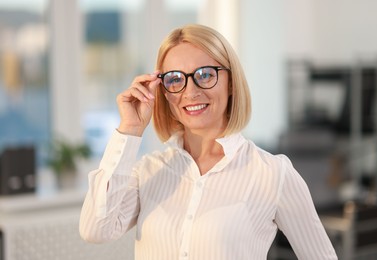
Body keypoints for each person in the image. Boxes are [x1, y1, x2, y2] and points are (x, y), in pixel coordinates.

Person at [79, 24, 338, 259]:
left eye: (205, 75)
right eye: (175, 79)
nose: (190, 92)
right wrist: (130, 129)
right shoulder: (148, 170)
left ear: (231, 83)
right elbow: (96, 229)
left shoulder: (272, 174)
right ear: (163, 90)